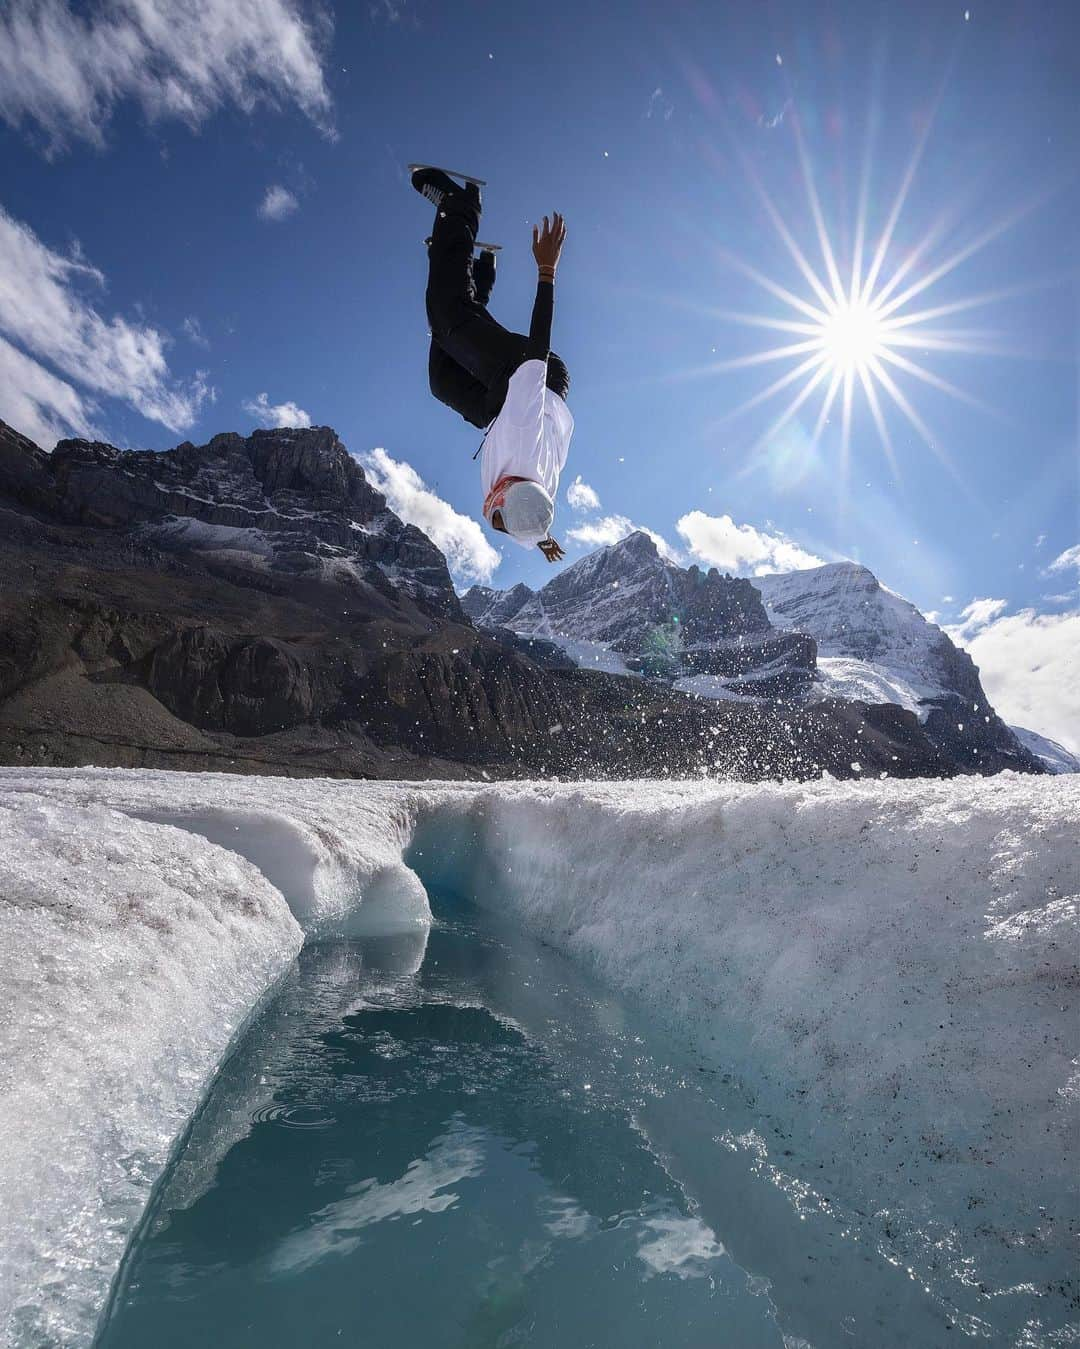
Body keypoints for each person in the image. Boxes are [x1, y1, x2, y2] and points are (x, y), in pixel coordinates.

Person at [412, 167, 573, 562]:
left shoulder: (525, 513)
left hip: (501, 409)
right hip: (532, 375)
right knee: (447, 319)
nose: (492, 508)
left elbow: (528, 522)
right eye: (498, 505)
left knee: (442, 380)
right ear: (510, 488)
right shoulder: (523, 435)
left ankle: (476, 279)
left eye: (497, 517)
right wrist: (547, 271)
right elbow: (539, 346)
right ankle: (460, 208)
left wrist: (544, 539)